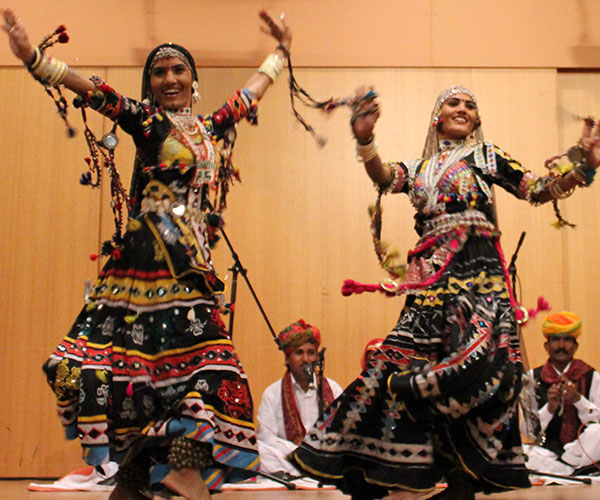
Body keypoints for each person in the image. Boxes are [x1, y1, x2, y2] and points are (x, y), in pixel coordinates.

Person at [3, 7, 291, 500]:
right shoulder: (146, 121)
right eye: (159, 72)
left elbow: (250, 94)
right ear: (150, 83)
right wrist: (34, 58)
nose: (170, 78)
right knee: (206, 368)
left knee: (169, 379)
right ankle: (179, 474)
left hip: (189, 267)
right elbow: (95, 92)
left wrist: (281, 53)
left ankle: (144, 478)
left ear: (193, 80)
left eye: (178, 70)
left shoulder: (209, 127)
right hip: (148, 267)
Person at [291, 85, 600, 500]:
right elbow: (384, 177)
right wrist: (365, 139)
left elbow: (536, 189)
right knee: (402, 365)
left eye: (471, 105)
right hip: (432, 279)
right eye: (454, 103)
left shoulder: (488, 156)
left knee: (490, 370)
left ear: (477, 120)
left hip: (481, 277)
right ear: (437, 116)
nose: (463, 109)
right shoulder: (420, 168)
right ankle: (390, 471)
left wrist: (583, 168)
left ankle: (462, 477)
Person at [257, 319, 342, 476]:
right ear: (287, 358)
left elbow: (343, 431)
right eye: (299, 353)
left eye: (311, 353)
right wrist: (300, 452)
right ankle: (303, 472)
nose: (306, 359)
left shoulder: (334, 389)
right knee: (257, 449)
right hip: (289, 457)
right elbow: (265, 436)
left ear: (317, 357)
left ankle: (301, 473)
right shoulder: (272, 393)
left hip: (324, 457)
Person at [522, 311, 600, 476]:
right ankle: (567, 468)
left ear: (575, 346)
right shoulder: (532, 377)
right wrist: (550, 408)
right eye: (556, 339)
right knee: (521, 452)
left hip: (581, 451)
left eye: (567, 340)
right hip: (547, 452)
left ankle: (567, 465)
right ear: (546, 346)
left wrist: (578, 400)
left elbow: (597, 421)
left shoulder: (591, 376)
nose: (561, 345)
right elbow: (528, 432)